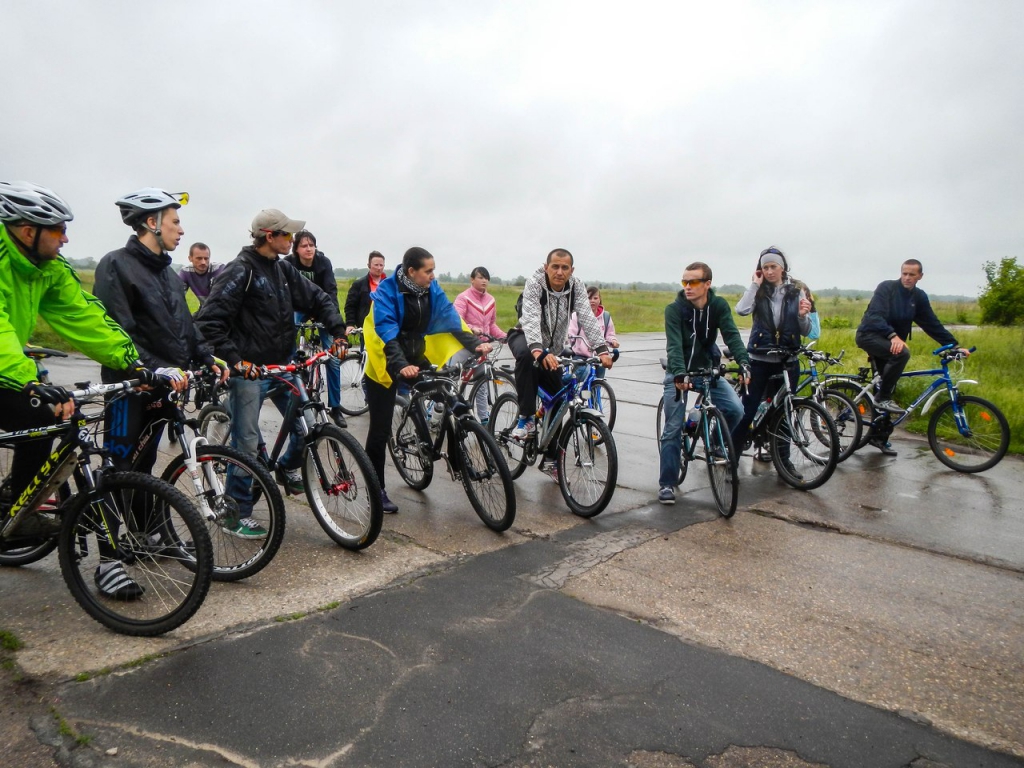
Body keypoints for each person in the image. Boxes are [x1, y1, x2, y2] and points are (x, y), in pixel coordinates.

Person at [0, 181, 156, 596]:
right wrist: (28, 379)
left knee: (48, 419)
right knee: (37, 410)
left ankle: (18, 503)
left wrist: (131, 361)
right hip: (5, 365)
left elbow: (82, 315)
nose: (66, 238)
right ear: (26, 230)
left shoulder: (48, 267)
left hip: (8, 367)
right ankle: (19, 506)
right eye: (58, 229)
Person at [195, 209, 348, 505]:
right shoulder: (240, 270)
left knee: (307, 425)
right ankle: (237, 509)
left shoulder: (282, 269)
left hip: (282, 366)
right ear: (269, 236)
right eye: (287, 234)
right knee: (247, 443)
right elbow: (209, 322)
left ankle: (285, 469)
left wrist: (338, 331)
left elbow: (317, 297)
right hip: (249, 370)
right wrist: (236, 360)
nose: (292, 239)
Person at [94, 189, 227, 473]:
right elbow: (117, 331)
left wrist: (206, 356)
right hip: (130, 385)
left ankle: (145, 506)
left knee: (146, 465)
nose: (181, 230)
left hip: (163, 385)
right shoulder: (115, 265)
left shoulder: (168, 273)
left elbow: (184, 325)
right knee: (120, 466)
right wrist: (154, 367)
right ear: (152, 223)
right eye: (175, 222)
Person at [363, 247, 491, 513]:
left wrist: (475, 344)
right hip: (385, 357)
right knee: (380, 430)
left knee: (447, 393)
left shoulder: (431, 288)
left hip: (414, 355)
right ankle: (376, 490)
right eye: (428, 271)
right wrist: (401, 366)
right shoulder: (387, 291)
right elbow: (386, 331)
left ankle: (457, 457)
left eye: (434, 270)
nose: (433, 275)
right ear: (412, 272)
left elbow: (450, 317)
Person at [507, 248, 612, 481]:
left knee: (559, 401)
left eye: (565, 267)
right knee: (526, 356)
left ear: (571, 270)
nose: (559, 272)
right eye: (555, 266)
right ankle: (526, 418)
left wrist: (602, 349)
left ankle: (551, 460)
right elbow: (531, 317)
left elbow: (587, 317)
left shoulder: (576, 286)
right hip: (525, 337)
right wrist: (537, 349)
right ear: (546, 267)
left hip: (552, 350)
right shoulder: (535, 283)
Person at [658, 262, 750, 505]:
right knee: (673, 428)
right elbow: (674, 345)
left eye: (694, 282)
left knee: (736, 410)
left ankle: (717, 442)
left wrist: (744, 362)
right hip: (679, 373)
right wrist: (679, 374)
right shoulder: (674, 310)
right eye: (685, 282)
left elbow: (732, 335)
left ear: (707, 284)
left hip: (707, 371)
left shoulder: (718, 306)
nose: (688, 287)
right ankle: (667, 483)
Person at [855, 259, 967, 456]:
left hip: (892, 343)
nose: (907, 277)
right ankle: (882, 398)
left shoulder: (918, 297)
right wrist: (893, 336)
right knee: (901, 358)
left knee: (888, 383)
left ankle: (878, 436)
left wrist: (954, 345)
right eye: (904, 273)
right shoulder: (887, 288)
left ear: (920, 276)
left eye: (912, 274)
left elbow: (931, 323)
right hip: (870, 335)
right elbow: (874, 316)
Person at [730, 246, 812, 478]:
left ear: (782, 267)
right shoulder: (758, 291)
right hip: (760, 359)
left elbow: (806, 330)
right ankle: (732, 458)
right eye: (765, 267)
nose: (769, 271)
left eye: (773, 266)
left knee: (784, 414)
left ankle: (784, 462)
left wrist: (802, 316)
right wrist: (754, 285)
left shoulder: (796, 292)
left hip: (787, 360)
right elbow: (742, 310)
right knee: (747, 411)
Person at [284, 229, 346, 428]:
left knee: (333, 358)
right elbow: (284, 292)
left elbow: (331, 291)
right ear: (296, 249)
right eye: (304, 245)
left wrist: (334, 320)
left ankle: (335, 407)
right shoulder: (288, 263)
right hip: (298, 307)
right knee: (287, 337)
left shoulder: (323, 263)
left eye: (311, 245)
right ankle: (288, 379)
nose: (309, 249)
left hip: (321, 307)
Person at [453, 266, 507, 421]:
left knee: (482, 385)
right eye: (480, 277)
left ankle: (484, 420)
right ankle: (437, 414)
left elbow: (491, 325)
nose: (484, 281)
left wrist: (505, 337)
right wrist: (471, 328)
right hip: (464, 346)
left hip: (483, 348)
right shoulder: (463, 298)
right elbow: (457, 320)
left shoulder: (491, 300)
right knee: (452, 383)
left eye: (486, 278)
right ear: (472, 279)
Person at [567, 286, 619, 379]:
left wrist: (613, 341)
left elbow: (609, 334)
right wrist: (570, 339)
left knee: (599, 380)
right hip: (581, 356)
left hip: (599, 356)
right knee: (579, 378)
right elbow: (570, 334)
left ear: (599, 299)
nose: (592, 301)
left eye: (595, 298)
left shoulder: (605, 316)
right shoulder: (576, 315)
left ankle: (597, 387)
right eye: (589, 298)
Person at [345, 250, 386, 334]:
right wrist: (350, 324)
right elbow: (350, 306)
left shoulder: (389, 285)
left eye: (381, 265)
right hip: (365, 327)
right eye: (376, 265)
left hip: (385, 325)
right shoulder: (359, 284)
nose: (379, 268)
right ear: (369, 265)